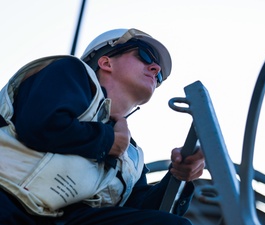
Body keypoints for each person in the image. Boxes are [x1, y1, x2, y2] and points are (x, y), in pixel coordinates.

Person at [0, 28, 205, 225]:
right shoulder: (69, 73)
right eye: (145, 55)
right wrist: (108, 142)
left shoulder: (131, 157)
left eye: (159, 77)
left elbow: (143, 212)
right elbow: (41, 125)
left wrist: (178, 177)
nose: (156, 69)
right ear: (106, 62)